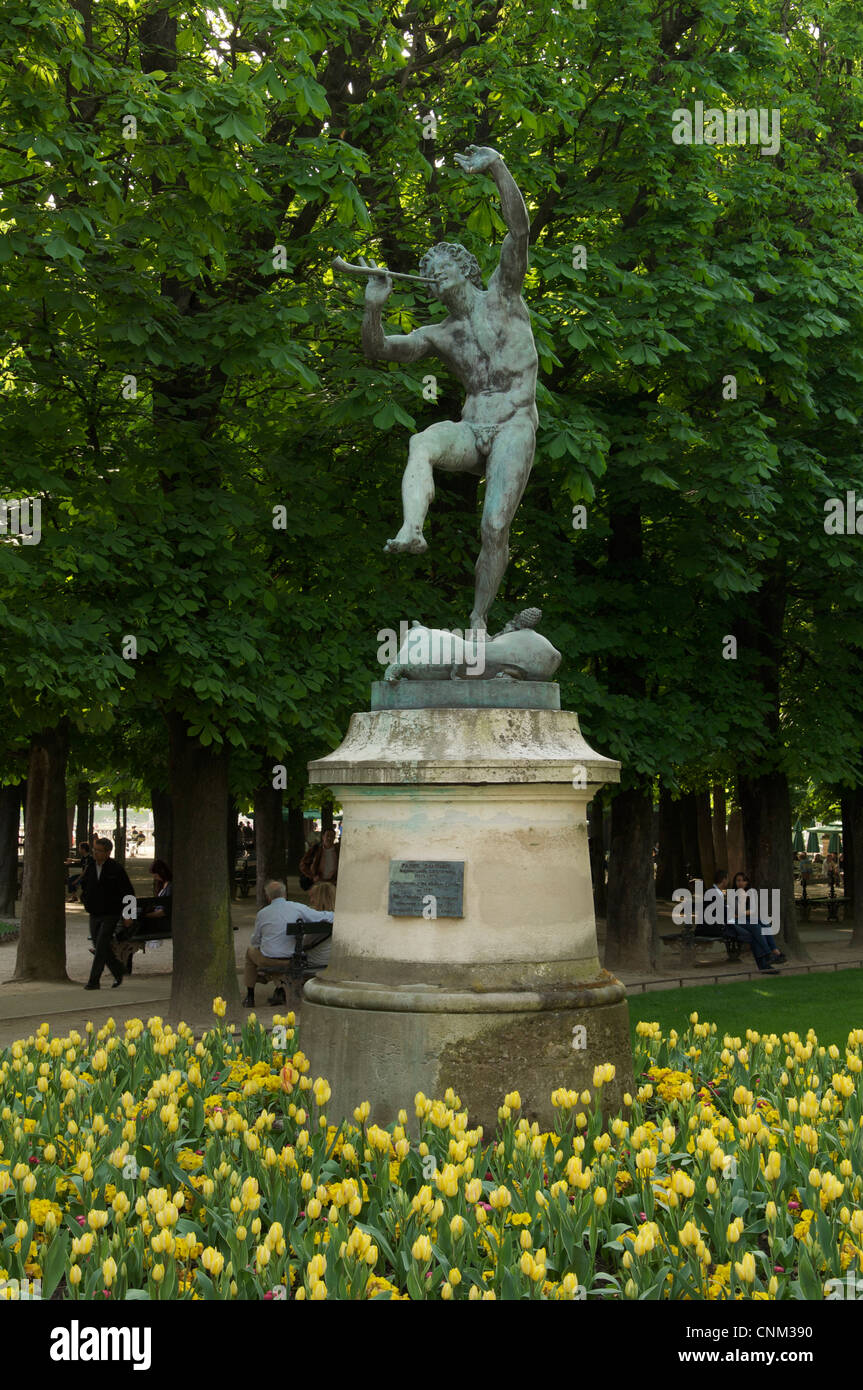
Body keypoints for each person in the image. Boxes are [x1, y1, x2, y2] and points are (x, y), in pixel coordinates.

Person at [359, 144, 538, 631]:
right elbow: (380, 351)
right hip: (472, 425)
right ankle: (412, 529)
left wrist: (499, 166)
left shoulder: (505, 293)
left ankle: (479, 619)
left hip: (515, 425)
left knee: (494, 526)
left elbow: (518, 228)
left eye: (443, 268)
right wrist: (373, 308)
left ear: (467, 271)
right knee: (422, 441)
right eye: (428, 274)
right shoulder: (440, 334)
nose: (434, 277)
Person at [243, 879, 335, 1008]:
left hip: (272, 960)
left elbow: (256, 941)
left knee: (250, 952)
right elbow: (324, 916)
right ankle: (275, 985)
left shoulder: (262, 913)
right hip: (292, 959)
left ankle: (250, 996)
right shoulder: (298, 908)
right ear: (285, 894)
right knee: (281, 957)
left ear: (268, 897)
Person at [80, 838, 135, 990]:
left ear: (107, 852)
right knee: (99, 945)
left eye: (99, 851)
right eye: (94, 850)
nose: (95, 853)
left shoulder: (116, 869)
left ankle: (93, 981)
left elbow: (128, 893)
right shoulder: (91, 867)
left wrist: (128, 915)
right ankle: (118, 970)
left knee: (102, 943)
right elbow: (85, 885)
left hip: (111, 913)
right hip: (94, 912)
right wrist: (86, 901)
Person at [728, 871, 785, 974]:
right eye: (738, 880)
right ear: (735, 882)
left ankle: (773, 951)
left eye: (743, 880)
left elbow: (752, 910)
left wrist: (742, 913)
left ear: (747, 882)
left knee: (765, 924)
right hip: (736, 922)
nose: (741, 882)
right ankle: (768, 954)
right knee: (756, 928)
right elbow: (734, 913)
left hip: (746, 919)